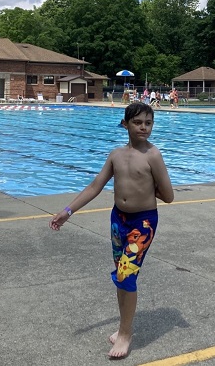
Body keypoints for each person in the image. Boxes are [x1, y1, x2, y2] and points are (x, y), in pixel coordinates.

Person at [49, 103, 173, 358]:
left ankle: (126, 335)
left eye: (148, 123)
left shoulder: (153, 155)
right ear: (125, 124)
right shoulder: (116, 155)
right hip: (119, 219)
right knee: (121, 274)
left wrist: (147, 191)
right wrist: (68, 211)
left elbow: (169, 195)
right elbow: (95, 186)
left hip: (143, 223)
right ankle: (123, 326)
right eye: (138, 122)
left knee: (127, 276)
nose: (144, 128)